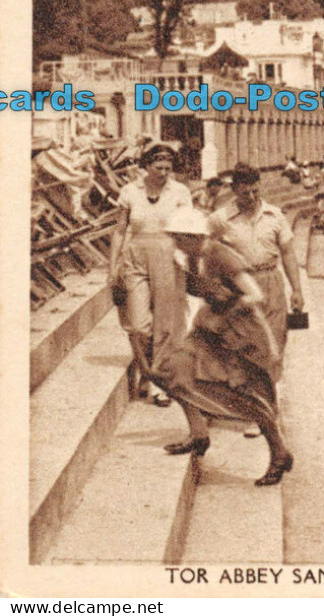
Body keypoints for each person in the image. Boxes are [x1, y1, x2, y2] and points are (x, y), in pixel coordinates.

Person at [161, 209, 292, 486]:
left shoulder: (220, 255)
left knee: (250, 394)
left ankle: (279, 452)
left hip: (241, 334)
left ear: (191, 237)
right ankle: (199, 432)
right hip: (211, 331)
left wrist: (225, 309)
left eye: (178, 238)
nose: (175, 244)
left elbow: (255, 294)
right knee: (176, 369)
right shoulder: (193, 257)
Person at [107, 144, 194, 407]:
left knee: (165, 325)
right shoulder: (130, 191)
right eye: (159, 168)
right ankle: (146, 371)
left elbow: (189, 229)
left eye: (169, 168)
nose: (165, 172)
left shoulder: (180, 192)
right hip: (135, 259)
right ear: (146, 166)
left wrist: (189, 263)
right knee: (138, 325)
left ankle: (159, 384)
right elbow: (120, 230)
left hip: (169, 258)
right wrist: (113, 268)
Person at [209, 164, 305, 378]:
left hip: (271, 282)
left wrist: (296, 290)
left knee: (274, 340)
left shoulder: (275, 215)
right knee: (243, 345)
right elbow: (205, 250)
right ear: (234, 190)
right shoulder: (220, 219)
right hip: (239, 287)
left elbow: (288, 253)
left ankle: (269, 396)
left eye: (256, 191)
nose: (251, 197)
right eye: (245, 193)